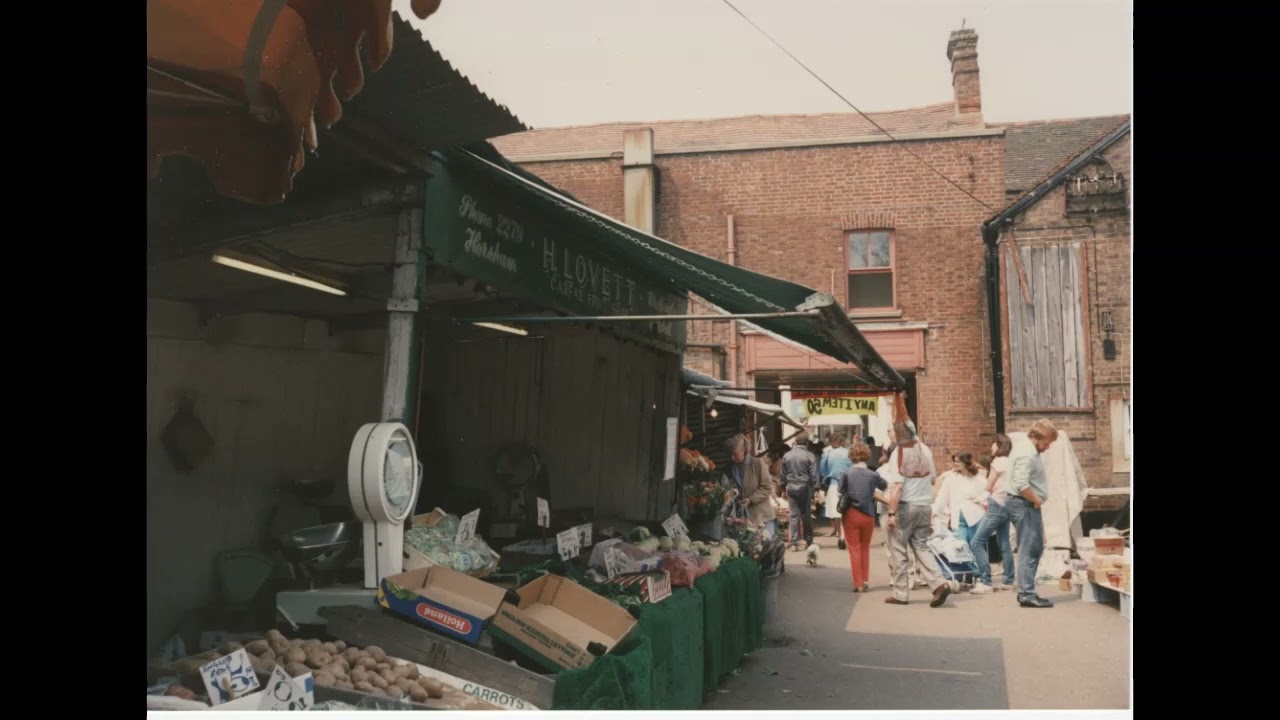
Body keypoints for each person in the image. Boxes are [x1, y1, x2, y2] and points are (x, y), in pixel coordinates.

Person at [883, 430, 951, 607]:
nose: (889, 434)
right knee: (921, 547)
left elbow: (897, 486)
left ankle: (900, 594)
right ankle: (939, 584)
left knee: (898, 549)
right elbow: (933, 479)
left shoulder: (899, 452)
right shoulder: (925, 449)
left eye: (891, 430)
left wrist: (891, 513)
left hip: (906, 505)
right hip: (925, 505)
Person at [1006, 420, 1059, 609]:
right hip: (1025, 504)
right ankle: (1027, 594)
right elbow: (1021, 484)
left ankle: (1026, 591)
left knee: (1033, 548)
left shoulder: (1026, 448)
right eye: (1046, 443)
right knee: (1029, 549)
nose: (1048, 447)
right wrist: (1036, 500)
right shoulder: (1027, 454)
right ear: (1036, 437)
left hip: (1023, 504)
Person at [969, 435, 1016, 594]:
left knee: (977, 542)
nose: (991, 447)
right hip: (1007, 504)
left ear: (1000, 445)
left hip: (996, 505)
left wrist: (979, 498)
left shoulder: (997, 462)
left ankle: (986, 582)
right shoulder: (1011, 462)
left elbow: (989, 485)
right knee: (1004, 543)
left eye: (993, 444)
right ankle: (1008, 581)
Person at [839, 443, 888, 592]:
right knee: (865, 548)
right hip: (869, 514)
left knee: (854, 549)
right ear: (867, 456)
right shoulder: (873, 475)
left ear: (851, 456)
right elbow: (884, 486)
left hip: (851, 514)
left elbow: (841, 489)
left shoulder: (846, 473)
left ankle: (858, 584)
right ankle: (865, 580)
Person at [723, 434, 777, 537]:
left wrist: (751, 499)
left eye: (735, 454)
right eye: (730, 454)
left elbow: (767, 487)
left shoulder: (757, 463)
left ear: (743, 450)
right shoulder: (730, 468)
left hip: (761, 517)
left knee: (765, 545)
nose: (732, 457)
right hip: (743, 519)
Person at [932, 453, 987, 546]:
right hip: (958, 518)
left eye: (958, 462)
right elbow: (942, 496)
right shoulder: (951, 478)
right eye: (955, 461)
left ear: (966, 462)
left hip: (975, 517)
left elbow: (988, 491)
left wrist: (979, 499)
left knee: (976, 546)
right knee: (960, 547)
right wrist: (935, 511)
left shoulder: (977, 477)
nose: (956, 464)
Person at [781, 432, 820, 552]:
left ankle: (793, 542)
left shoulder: (787, 456)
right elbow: (814, 475)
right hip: (805, 487)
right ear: (807, 443)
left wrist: (783, 488)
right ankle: (808, 541)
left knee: (794, 515)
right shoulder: (810, 455)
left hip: (791, 487)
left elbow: (783, 474)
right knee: (806, 515)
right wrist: (816, 489)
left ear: (796, 442)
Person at [819, 432, 853, 549]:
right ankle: (845, 535)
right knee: (847, 512)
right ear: (842, 441)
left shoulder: (827, 454)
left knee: (836, 512)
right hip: (848, 484)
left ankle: (840, 535)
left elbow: (822, 471)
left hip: (833, 484)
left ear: (831, 442)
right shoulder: (848, 452)